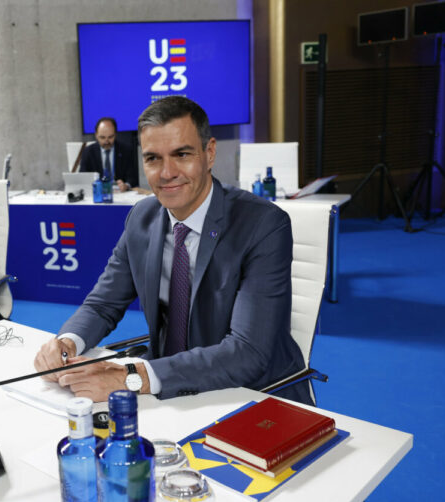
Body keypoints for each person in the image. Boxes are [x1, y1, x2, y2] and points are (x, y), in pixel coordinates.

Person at [34, 96, 312, 405]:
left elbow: (248, 353)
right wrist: (67, 342)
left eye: (181, 154)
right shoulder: (142, 218)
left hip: (250, 394)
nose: (167, 173)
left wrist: (133, 377)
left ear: (209, 153)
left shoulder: (262, 225)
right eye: (153, 158)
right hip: (169, 390)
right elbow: (102, 305)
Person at [79, 117, 139, 192]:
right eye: (102, 137)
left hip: (120, 193)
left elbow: (133, 177)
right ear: (96, 135)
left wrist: (126, 185)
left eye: (110, 137)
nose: (106, 141)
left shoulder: (126, 150)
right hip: (97, 193)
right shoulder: (88, 151)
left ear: (115, 134)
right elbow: (82, 177)